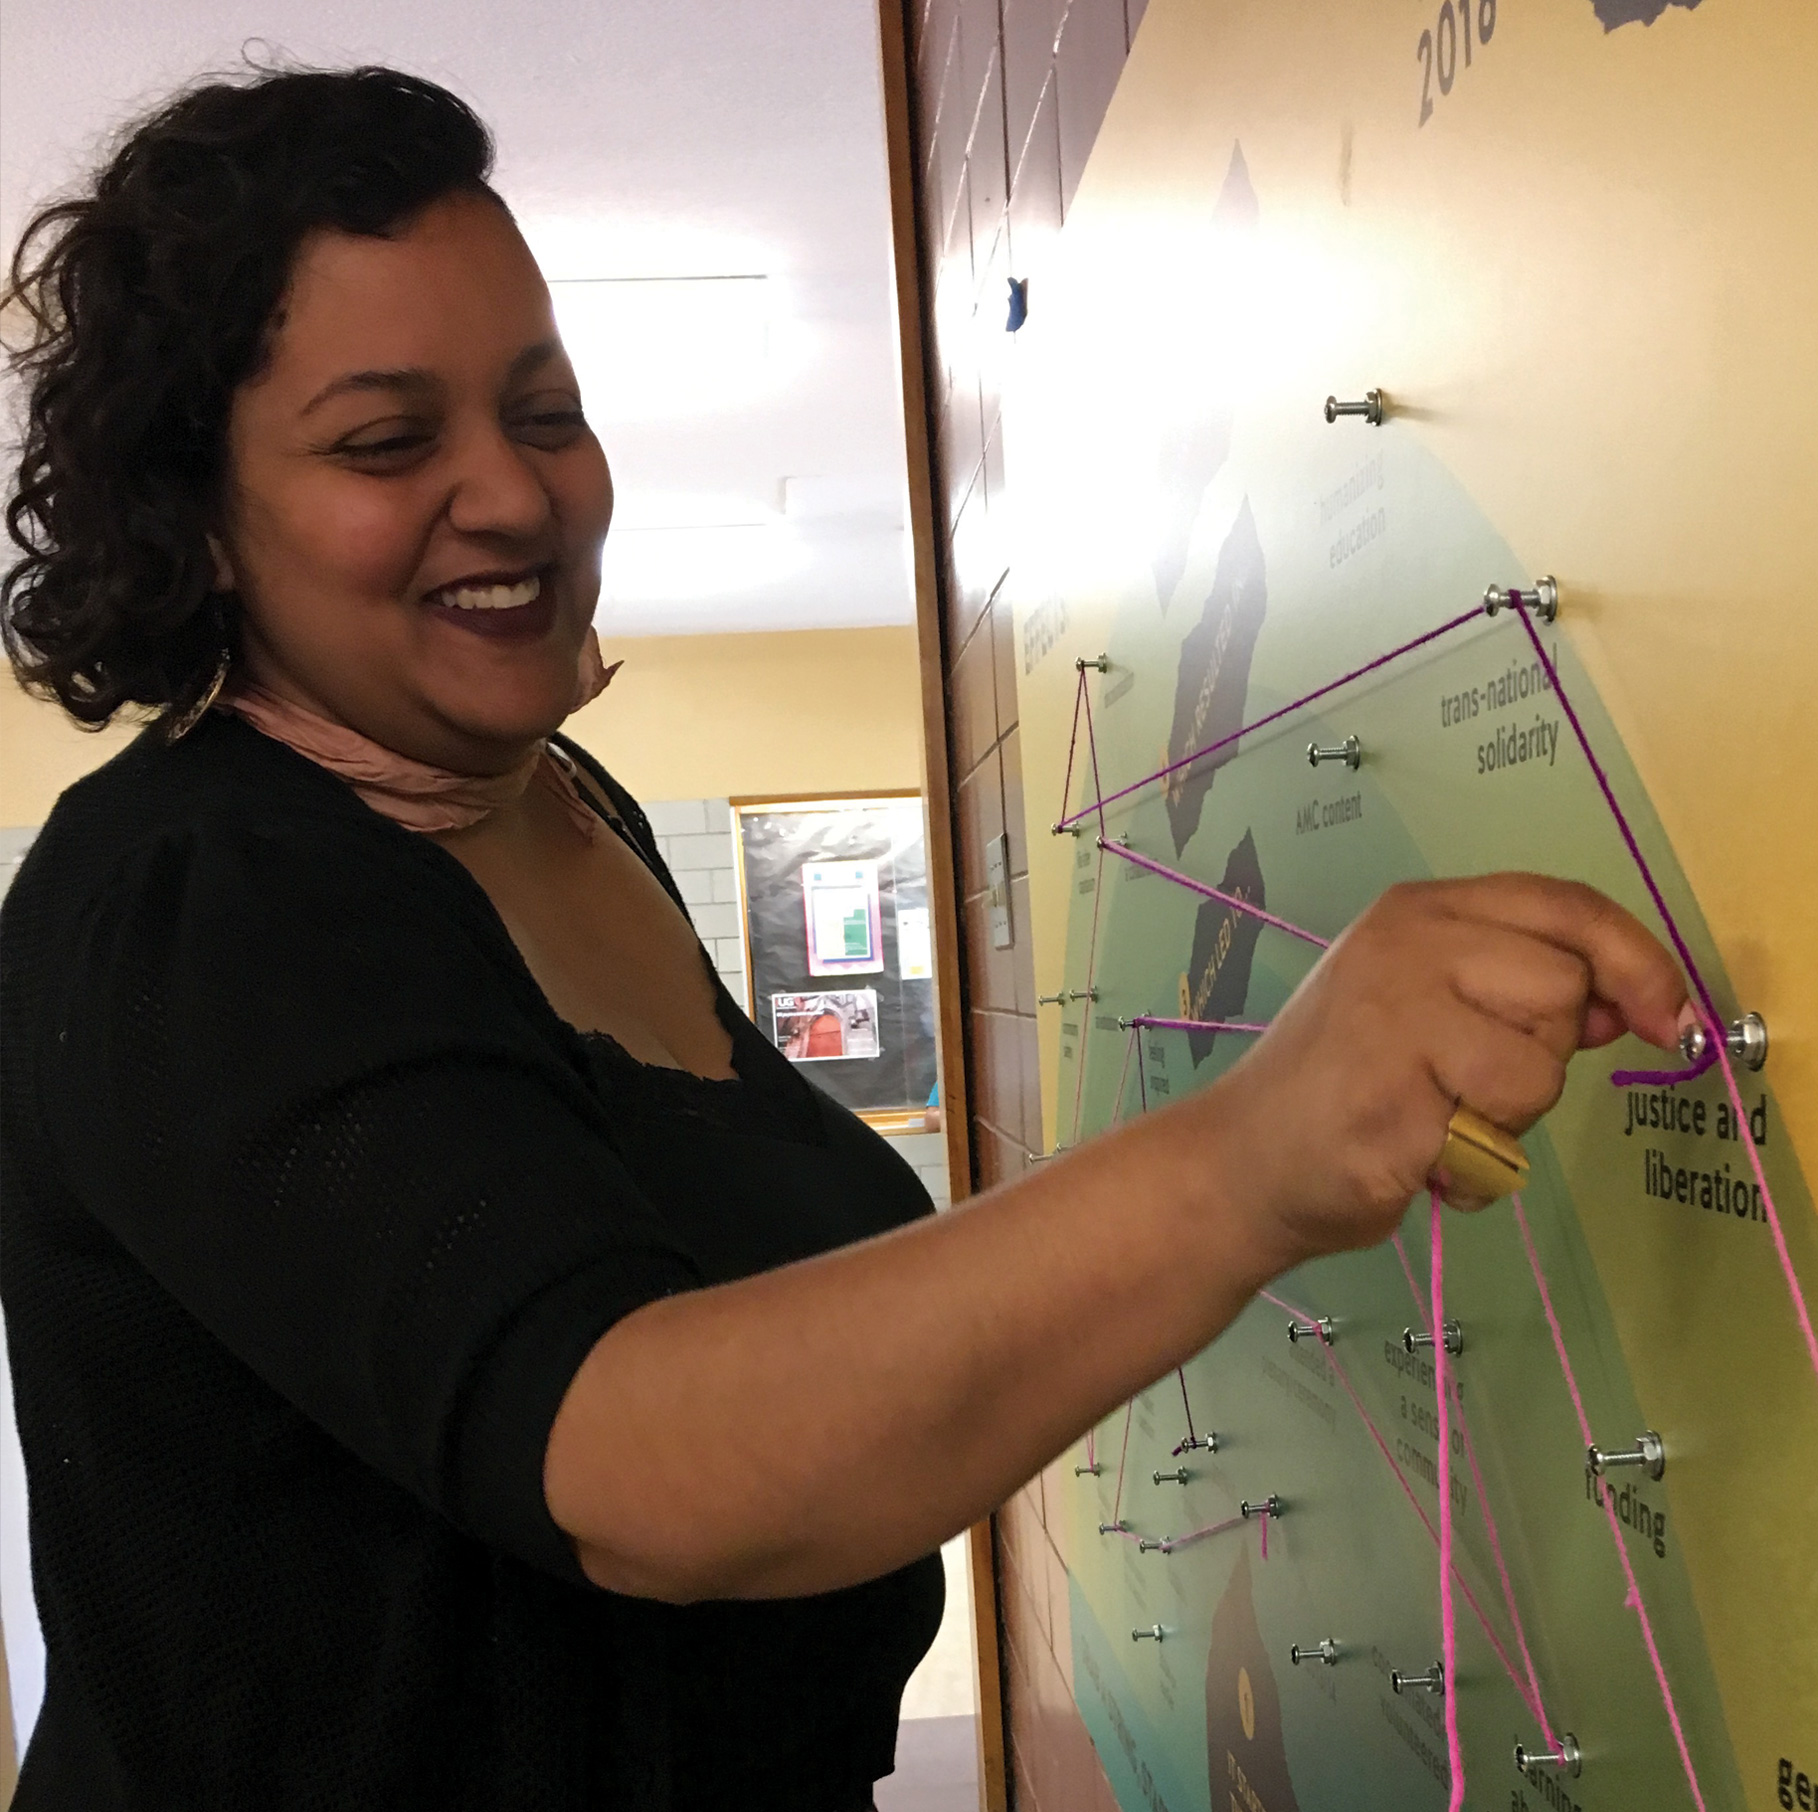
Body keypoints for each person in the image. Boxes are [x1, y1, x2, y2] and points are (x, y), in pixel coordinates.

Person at [0, 65, 1690, 1811]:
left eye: (544, 411)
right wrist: (1250, 1157)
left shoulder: (562, 805)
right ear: (193, 518)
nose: (513, 497)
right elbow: (638, 1463)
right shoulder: (200, 905)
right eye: (384, 443)